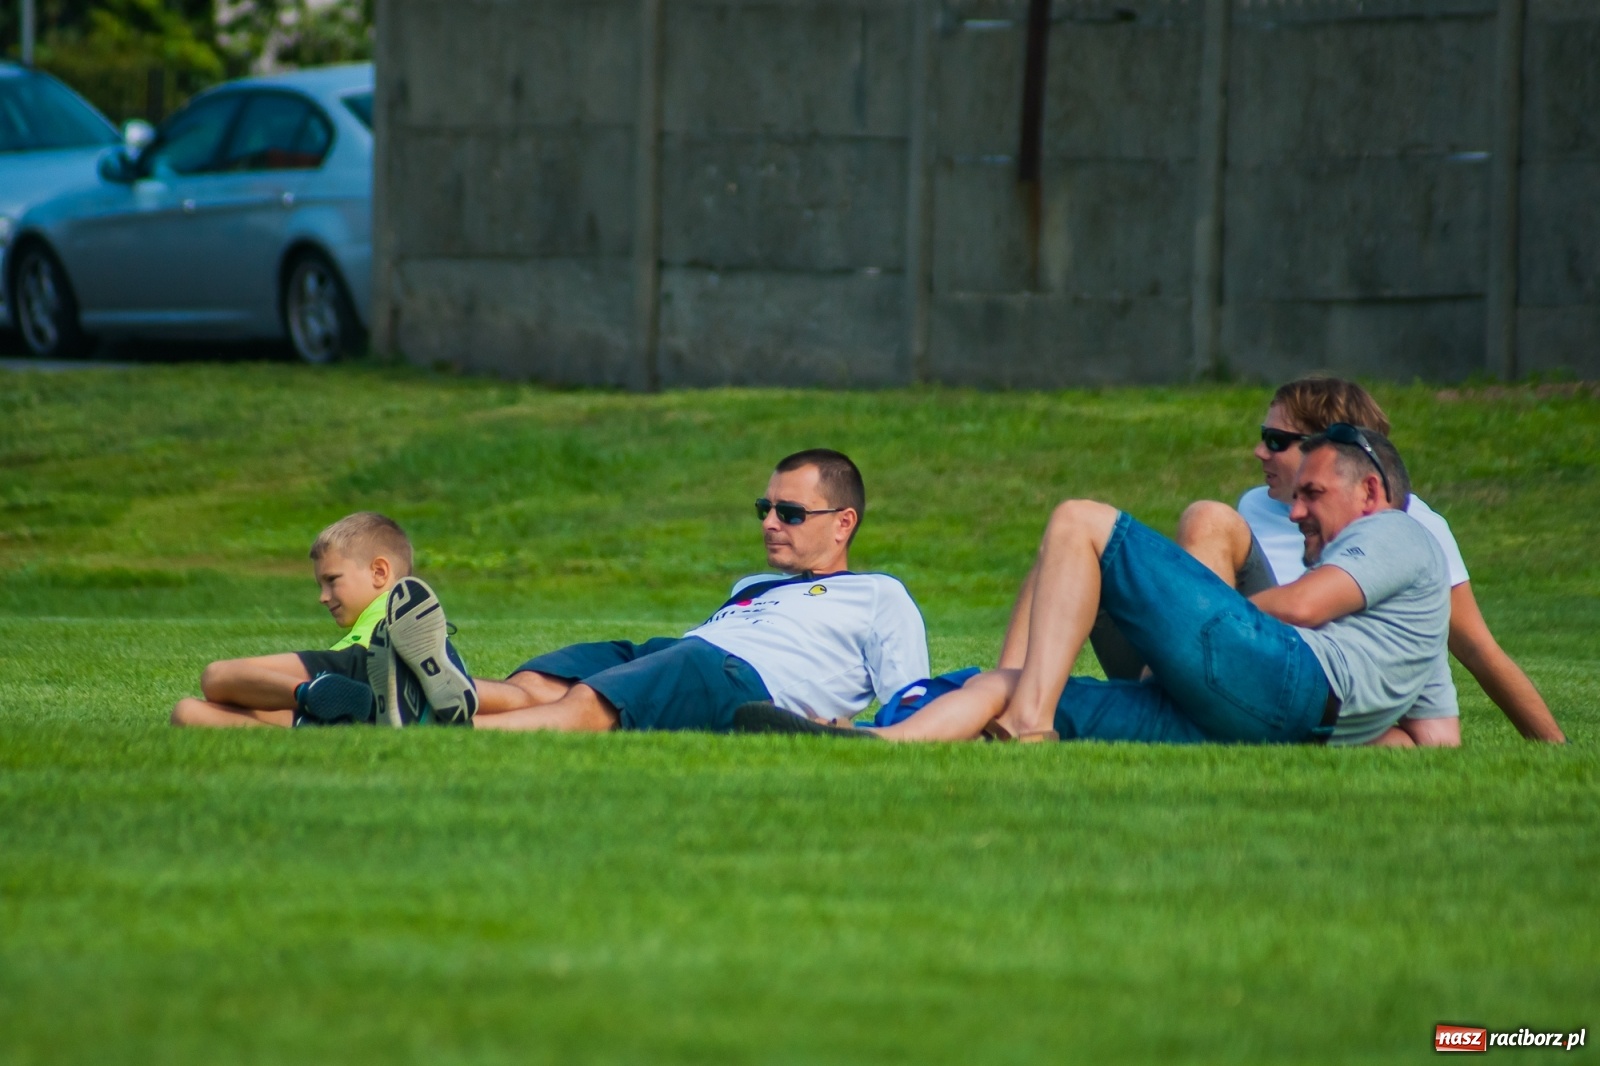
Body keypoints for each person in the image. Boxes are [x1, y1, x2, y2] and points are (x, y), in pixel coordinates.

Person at [870, 426, 1450, 746]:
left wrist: (1195, 614)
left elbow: (1301, 606)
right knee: (1007, 684)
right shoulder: (1412, 620)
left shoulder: (1398, 531)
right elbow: (1436, 744)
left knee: (1079, 521)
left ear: (1371, 492)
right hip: (1249, 724)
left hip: (1280, 684)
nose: (1296, 512)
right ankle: (879, 742)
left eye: (1312, 495)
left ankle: (1027, 726)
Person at [382, 449, 930, 733]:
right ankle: (430, 690)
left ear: (843, 523)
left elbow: (912, 705)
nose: (769, 523)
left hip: (739, 680)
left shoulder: (879, 595)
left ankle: (446, 730)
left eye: (789, 513)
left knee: (596, 702)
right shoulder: (755, 584)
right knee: (542, 679)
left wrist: (836, 726)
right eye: (765, 509)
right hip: (682, 652)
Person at [1178, 377, 1563, 744]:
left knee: (1426, 741)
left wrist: (1553, 745)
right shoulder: (1254, 505)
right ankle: (1182, 679)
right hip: (1256, 656)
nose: (1260, 452)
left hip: (1330, 681)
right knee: (1208, 519)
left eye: (1276, 441)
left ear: (1329, 450)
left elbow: (1478, 649)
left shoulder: (1413, 529)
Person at [170, 512, 413, 728]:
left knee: (216, 676)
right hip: (348, 700)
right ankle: (320, 712)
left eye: (332, 580)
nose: (323, 597)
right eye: (321, 585)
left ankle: (314, 693)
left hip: (365, 661)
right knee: (187, 713)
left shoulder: (401, 605)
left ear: (379, 572)